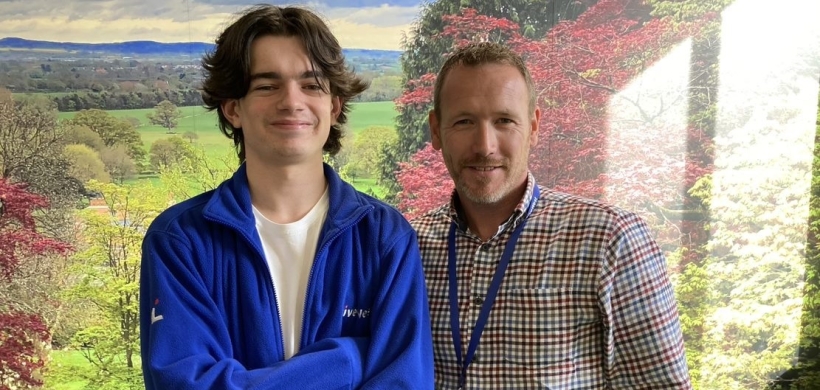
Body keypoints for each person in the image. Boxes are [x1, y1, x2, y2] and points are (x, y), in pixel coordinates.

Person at [139, 5, 434, 389]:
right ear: (232, 109)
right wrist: (346, 361)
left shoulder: (384, 237)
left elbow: (404, 382)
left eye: (311, 85)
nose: (291, 101)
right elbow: (186, 383)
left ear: (334, 106)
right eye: (267, 85)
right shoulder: (180, 241)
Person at [411, 42, 692, 389]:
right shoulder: (408, 247)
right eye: (465, 121)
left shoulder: (610, 241)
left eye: (504, 121)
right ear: (437, 131)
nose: (485, 145)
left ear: (534, 126)